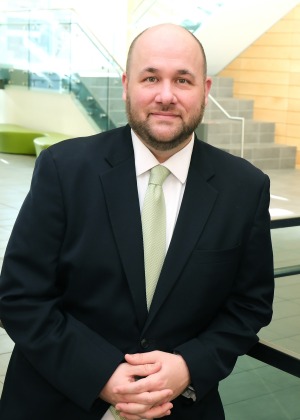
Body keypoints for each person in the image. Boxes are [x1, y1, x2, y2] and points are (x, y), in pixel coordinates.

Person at [0, 23, 274, 420]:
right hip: (57, 400)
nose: (166, 95)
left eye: (183, 79)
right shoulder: (63, 169)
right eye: (151, 78)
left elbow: (249, 306)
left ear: (206, 89)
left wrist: (189, 367)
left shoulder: (245, 187)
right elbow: (20, 296)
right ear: (127, 85)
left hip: (179, 407)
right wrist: (102, 375)